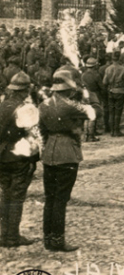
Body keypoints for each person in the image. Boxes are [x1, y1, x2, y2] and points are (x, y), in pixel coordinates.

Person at [39, 69, 96, 251]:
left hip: (50, 152)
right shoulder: (70, 106)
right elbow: (93, 113)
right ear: (68, 88)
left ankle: (48, 237)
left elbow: (42, 130)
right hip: (67, 153)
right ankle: (58, 239)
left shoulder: (44, 104)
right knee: (61, 199)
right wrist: (87, 96)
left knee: (50, 197)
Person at [0, 72, 39, 247]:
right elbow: (33, 136)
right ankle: (12, 237)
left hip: (2, 155)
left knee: (5, 194)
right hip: (19, 157)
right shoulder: (26, 108)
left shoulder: (2, 106)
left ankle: (3, 234)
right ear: (24, 91)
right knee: (16, 197)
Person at [104, 51, 124, 136]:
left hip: (111, 91)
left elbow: (104, 82)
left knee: (111, 112)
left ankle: (112, 131)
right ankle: (116, 130)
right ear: (119, 59)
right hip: (120, 91)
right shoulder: (123, 69)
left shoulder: (108, 69)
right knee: (118, 112)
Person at [81, 57, 105, 139]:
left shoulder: (83, 75)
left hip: (85, 95)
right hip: (95, 95)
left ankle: (86, 133)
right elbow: (101, 86)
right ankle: (92, 134)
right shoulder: (96, 75)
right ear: (95, 66)